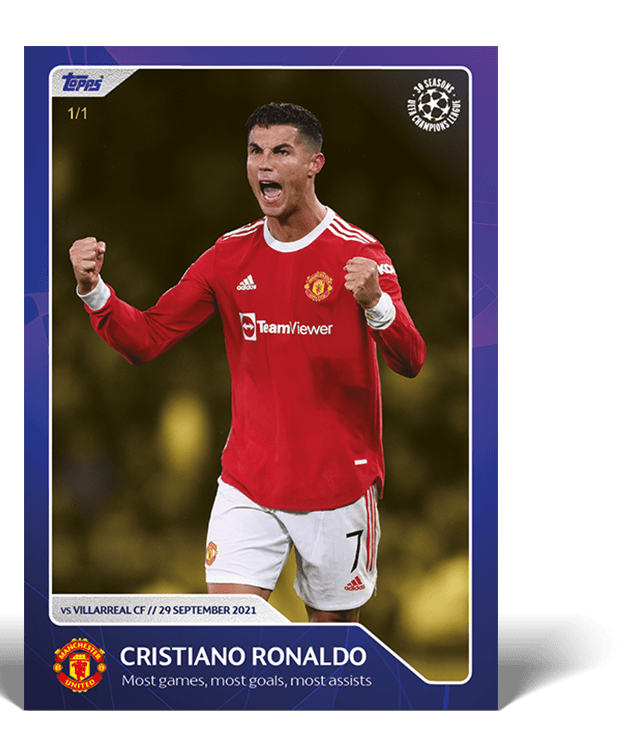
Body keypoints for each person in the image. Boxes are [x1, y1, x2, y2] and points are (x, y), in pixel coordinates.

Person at [68, 102, 426, 623]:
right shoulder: (228, 256)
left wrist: (376, 303)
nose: (264, 164)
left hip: (337, 486)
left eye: (281, 151)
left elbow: (411, 359)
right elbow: (147, 338)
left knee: (331, 654)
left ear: (314, 164)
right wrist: (94, 290)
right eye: (255, 151)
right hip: (249, 481)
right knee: (230, 626)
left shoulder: (360, 254)